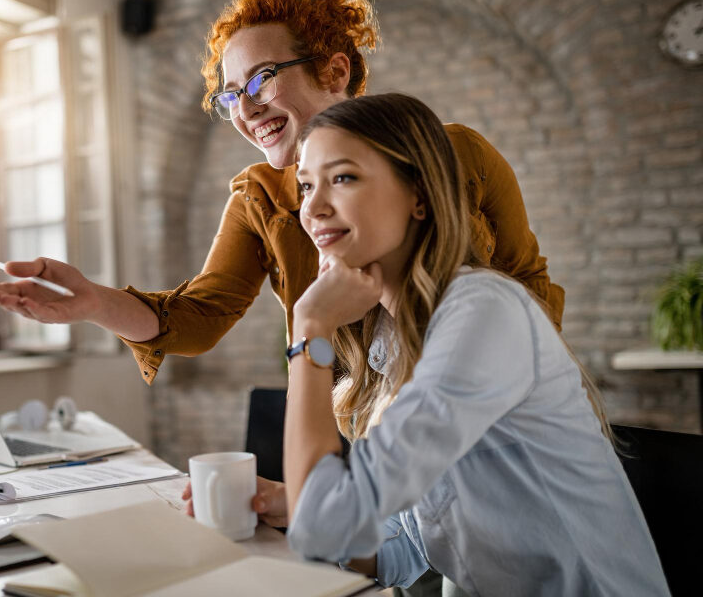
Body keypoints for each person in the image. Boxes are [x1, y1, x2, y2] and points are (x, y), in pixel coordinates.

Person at [0, 0, 560, 561]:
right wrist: (92, 304)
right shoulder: (260, 196)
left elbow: (528, 288)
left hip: (489, 430)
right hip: (370, 440)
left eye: (261, 79)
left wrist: (505, 391)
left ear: (335, 70)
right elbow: (198, 315)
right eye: (231, 93)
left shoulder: (450, 159)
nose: (244, 107)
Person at [282, 92, 668, 594]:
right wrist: (296, 505)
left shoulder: (485, 313)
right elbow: (407, 550)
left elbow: (323, 525)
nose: (312, 207)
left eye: (343, 177)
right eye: (307, 185)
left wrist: (310, 327)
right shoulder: (393, 340)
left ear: (419, 195)